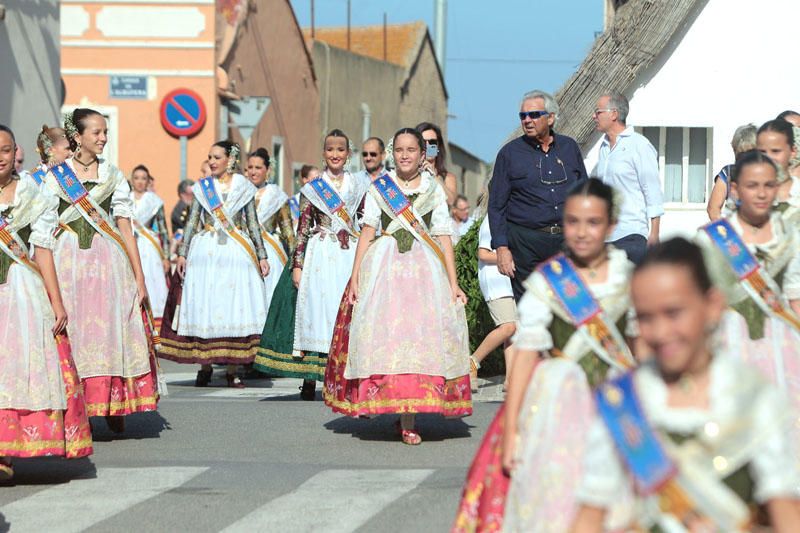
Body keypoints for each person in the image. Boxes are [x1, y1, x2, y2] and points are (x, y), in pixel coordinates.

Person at [571, 238, 800, 532]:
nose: (660, 332)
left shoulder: (752, 397)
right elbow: (589, 517)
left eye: (674, 313)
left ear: (713, 305)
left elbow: (787, 515)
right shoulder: (625, 401)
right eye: (645, 318)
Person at [454, 178, 637, 531]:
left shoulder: (627, 277)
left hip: (616, 402)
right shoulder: (548, 281)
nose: (582, 232)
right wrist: (511, 433)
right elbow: (524, 357)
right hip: (559, 405)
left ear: (611, 225)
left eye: (593, 222)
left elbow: (642, 345)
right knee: (558, 498)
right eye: (573, 222)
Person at [323, 127, 471, 445]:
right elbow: (367, 231)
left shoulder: (433, 190)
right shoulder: (380, 188)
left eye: (411, 150)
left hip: (424, 273)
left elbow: (443, 236)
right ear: (394, 153)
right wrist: (356, 276)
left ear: (422, 155)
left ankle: (409, 416)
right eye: (400, 150)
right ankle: (392, 405)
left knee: (418, 341)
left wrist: (453, 283)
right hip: (385, 268)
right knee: (387, 337)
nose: (405, 155)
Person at [41, 108, 159, 434]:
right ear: (77, 137)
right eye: (96, 132)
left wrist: (139, 276)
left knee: (109, 331)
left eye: (105, 131)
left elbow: (124, 224)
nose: (103, 138)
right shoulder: (55, 176)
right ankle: (79, 406)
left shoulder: (113, 174)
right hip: (69, 264)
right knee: (77, 331)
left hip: (108, 264)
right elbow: (44, 224)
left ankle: (112, 401)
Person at [0, 124, 92, 481]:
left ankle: (7, 449)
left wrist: (57, 303)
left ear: (15, 152)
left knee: (18, 368)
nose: (0, 157)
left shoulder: (32, 194)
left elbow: (43, 252)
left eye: (5, 150)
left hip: (22, 294)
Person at [254, 130, 369, 401]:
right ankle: (310, 375)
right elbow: (303, 227)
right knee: (316, 310)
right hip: (320, 252)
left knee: (343, 311)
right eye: (330, 150)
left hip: (348, 252)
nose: (335, 155)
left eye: (340, 150)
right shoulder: (313, 188)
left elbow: (364, 222)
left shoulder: (358, 185)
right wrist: (297, 264)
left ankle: (342, 374)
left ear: (348, 154)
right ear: (323, 153)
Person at [696, 150, 800, 445]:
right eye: (752, 186)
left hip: (780, 352)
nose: (761, 194)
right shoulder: (712, 239)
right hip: (727, 349)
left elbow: (795, 299)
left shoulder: (789, 237)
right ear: (736, 189)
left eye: (768, 185)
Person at [159, 141, 270, 388]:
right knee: (207, 306)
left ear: (229, 159)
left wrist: (262, 255)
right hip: (206, 253)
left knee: (234, 307)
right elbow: (191, 223)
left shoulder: (244, 187)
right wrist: (183, 253)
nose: (211, 161)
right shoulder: (202, 188)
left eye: (216, 157)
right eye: (209, 157)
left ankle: (232, 368)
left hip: (236, 254)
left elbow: (252, 223)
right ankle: (205, 365)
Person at [488, 89, 588, 300]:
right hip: (526, 243)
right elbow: (496, 205)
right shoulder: (509, 154)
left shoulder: (569, 148)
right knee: (530, 309)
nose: (527, 120)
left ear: (550, 118)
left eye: (534, 115)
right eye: (523, 116)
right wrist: (501, 247)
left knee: (572, 304)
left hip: (565, 241)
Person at [592, 91, 663, 264]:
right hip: (604, 237)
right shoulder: (603, 147)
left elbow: (652, 189)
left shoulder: (639, 145)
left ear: (614, 114)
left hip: (631, 234)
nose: (594, 116)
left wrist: (654, 233)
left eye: (598, 112)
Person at [469, 215, 517, 392]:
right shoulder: (492, 219)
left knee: (513, 331)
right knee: (508, 327)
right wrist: (511, 257)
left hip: (509, 279)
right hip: (495, 279)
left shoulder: (516, 216)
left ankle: (510, 380)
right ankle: (472, 362)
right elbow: (482, 253)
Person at [246, 147, 295, 312]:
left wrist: (296, 261)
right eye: (250, 168)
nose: (253, 172)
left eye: (258, 168)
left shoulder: (276, 195)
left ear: (267, 170)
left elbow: (288, 231)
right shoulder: (238, 193)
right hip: (243, 247)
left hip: (270, 252)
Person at [130, 164, 170, 327]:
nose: (140, 182)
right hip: (130, 244)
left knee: (153, 282)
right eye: (137, 178)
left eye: (144, 178)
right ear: (132, 180)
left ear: (148, 181)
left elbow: (163, 230)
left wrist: (166, 256)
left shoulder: (154, 201)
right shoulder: (124, 198)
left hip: (149, 247)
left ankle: (156, 321)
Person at [706, 124, 756, 220]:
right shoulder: (728, 172)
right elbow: (713, 209)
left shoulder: (768, 173)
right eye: (740, 153)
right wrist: (727, 233)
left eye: (749, 152)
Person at [756, 119, 799, 223]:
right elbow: (722, 235)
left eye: (776, 151)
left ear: (792, 152)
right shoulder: (745, 195)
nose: (769, 158)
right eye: (762, 152)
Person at [416, 122, 457, 206]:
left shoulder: (448, 178)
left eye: (432, 142)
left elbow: (451, 202)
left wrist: (434, 177)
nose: (427, 145)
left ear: (438, 146)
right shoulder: (409, 175)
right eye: (423, 142)